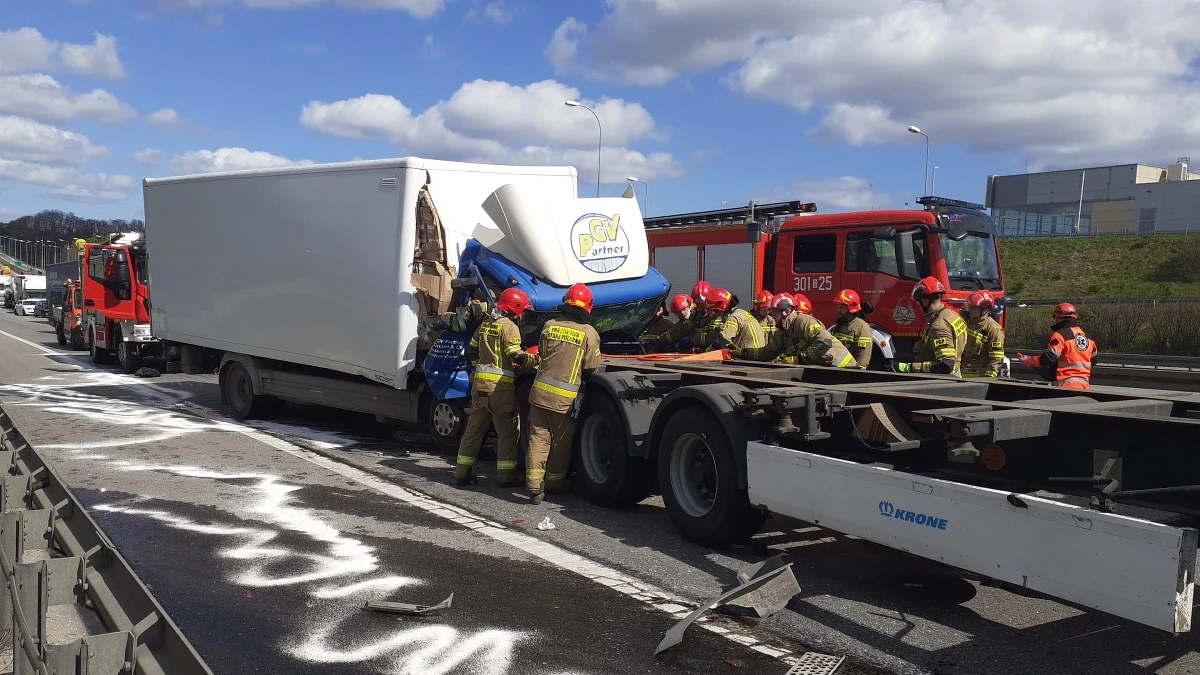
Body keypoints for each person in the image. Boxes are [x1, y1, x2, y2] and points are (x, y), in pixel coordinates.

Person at [453, 288, 540, 487]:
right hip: (499, 388)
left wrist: (476, 368)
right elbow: (515, 355)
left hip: (479, 387)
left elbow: (471, 349)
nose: (523, 314)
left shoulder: (485, 323)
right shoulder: (509, 327)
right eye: (523, 310)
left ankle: (461, 473)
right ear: (516, 308)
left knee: (473, 431)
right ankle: (506, 476)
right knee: (507, 433)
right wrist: (534, 359)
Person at [526, 283, 603, 504]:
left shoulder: (549, 325)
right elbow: (591, 367)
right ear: (588, 307)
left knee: (538, 439)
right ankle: (554, 483)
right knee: (561, 443)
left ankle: (534, 486)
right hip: (563, 400)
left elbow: (541, 353)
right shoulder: (589, 333)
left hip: (539, 393)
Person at [742, 293, 856, 367]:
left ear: (786, 311)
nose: (772, 316)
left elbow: (825, 342)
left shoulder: (803, 321)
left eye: (774, 312)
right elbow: (768, 352)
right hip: (826, 368)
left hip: (844, 368)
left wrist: (799, 359)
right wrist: (744, 353)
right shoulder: (781, 331)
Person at [892, 277, 966, 376]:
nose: (918, 305)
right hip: (955, 373)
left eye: (919, 301)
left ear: (925, 300)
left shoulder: (938, 326)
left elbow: (945, 365)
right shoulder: (953, 316)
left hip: (940, 380)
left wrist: (909, 367)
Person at [1017, 302, 1097, 390]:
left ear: (1058, 318)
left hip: (1064, 386)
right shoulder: (1087, 337)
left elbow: (1049, 357)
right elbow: (1094, 360)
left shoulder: (1060, 335)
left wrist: (1028, 361)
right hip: (1084, 385)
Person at [651, 281, 713, 351]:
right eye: (698, 304)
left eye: (704, 303)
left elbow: (713, 337)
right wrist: (658, 342)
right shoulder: (696, 316)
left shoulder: (716, 315)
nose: (702, 306)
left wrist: (691, 340)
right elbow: (676, 331)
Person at [700, 288, 765, 351]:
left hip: (748, 356)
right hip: (758, 355)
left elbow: (723, 340)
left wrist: (708, 350)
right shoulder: (742, 313)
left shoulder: (733, 318)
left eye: (716, 311)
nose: (717, 314)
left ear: (722, 307)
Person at [960, 290, 1006, 378]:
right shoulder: (968, 324)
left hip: (980, 377)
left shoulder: (994, 330)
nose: (970, 310)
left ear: (985, 308)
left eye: (974, 308)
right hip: (963, 373)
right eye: (970, 307)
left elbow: (996, 359)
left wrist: (988, 379)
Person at [829, 289, 873, 369]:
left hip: (850, 371)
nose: (838, 310)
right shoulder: (838, 326)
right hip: (835, 369)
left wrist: (857, 373)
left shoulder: (862, 328)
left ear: (851, 308)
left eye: (841, 308)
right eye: (838, 307)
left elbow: (862, 357)